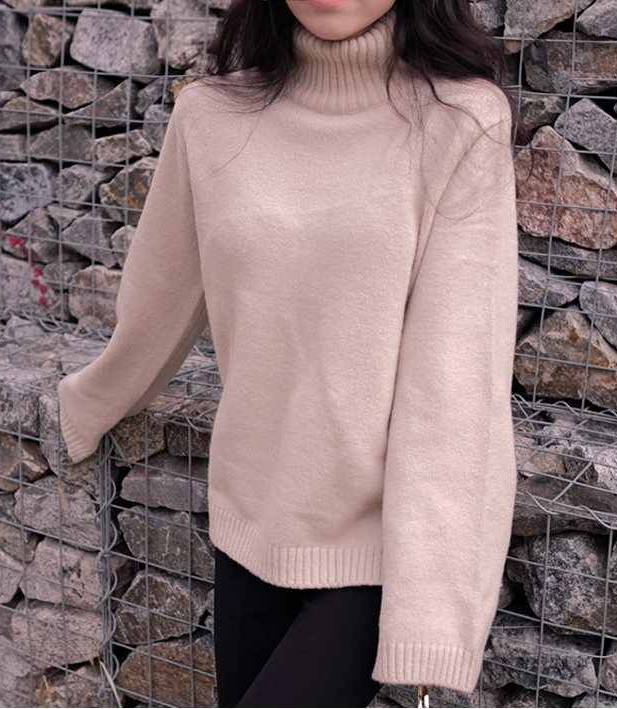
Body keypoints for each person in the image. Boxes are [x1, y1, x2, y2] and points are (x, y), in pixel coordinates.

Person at [57, 0, 521, 705]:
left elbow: (456, 383)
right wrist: (86, 407)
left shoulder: (459, 121)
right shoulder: (211, 116)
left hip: (373, 554)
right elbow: (161, 300)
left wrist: (432, 614)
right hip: (249, 526)